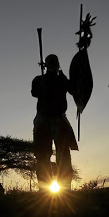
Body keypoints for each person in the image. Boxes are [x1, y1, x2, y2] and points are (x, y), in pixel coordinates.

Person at [32, 54, 78, 191]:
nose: (53, 65)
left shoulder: (62, 80)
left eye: (54, 63)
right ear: (45, 65)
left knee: (63, 155)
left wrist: (63, 77)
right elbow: (35, 92)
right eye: (51, 63)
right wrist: (44, 85)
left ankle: (65, 188)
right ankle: (44, 189)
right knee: (42, 154)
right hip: (43, 119)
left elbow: (74, 90)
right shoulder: (39, 79)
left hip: (59, 118)